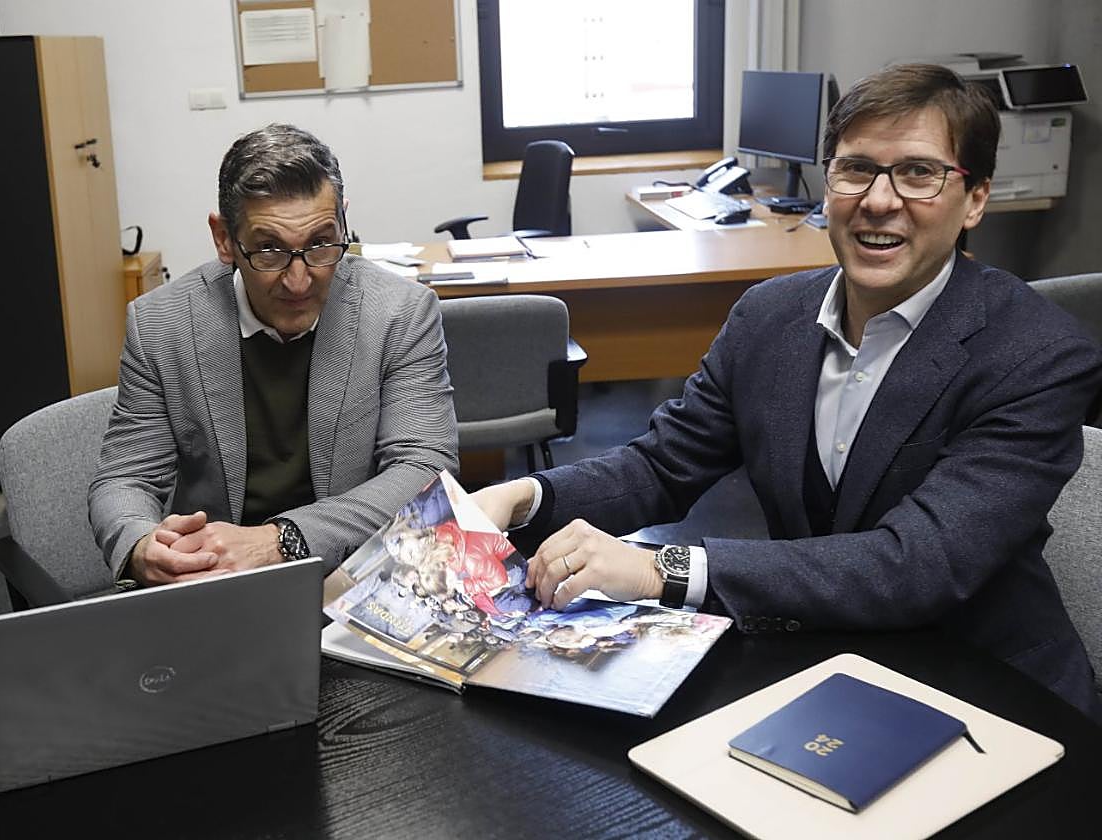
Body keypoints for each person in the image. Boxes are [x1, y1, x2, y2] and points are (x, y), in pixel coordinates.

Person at [473, 64, 1102, 719]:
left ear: (974, 199)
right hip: (821, 667)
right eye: (856, 168)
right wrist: (525, 497)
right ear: (828, 184)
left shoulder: (1038, 352)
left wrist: (665, 569)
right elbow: (664, 464)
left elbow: (920, 564)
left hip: (992, 695)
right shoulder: (768, 317)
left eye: (919, 173)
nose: (879, 200)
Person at [89, 124, 457, 585]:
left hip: (354, 576)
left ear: (342, 221)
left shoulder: (400, 312)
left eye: (321, 243)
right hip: (215, 585)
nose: (299, 280)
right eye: (268, 250)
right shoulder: (162, 324)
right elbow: (125, 479)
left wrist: (279, 541)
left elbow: (423, 467)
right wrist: (143, 544)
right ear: (224, 239)